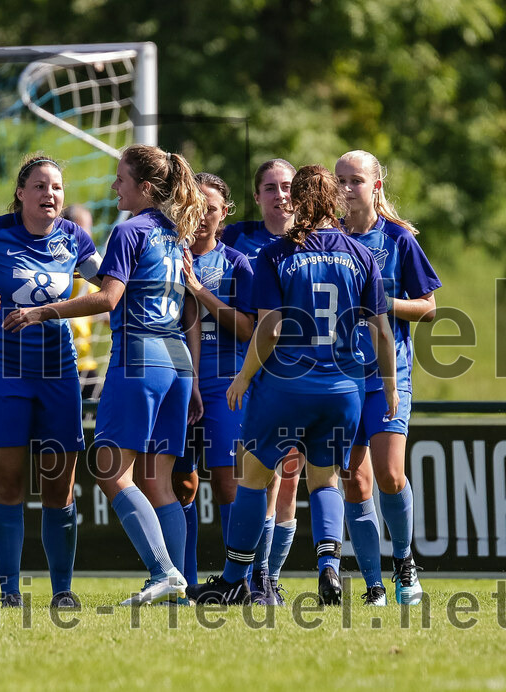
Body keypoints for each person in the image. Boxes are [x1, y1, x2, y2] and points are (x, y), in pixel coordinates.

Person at [187, 165, 398, 606]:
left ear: (298, 201)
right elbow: (381, 329)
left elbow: (269, 328)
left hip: (286, 387)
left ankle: (231, 579)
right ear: (334, 201)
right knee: (324, 481)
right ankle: (328, 569)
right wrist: (391, 387)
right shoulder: (359, 255)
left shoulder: (277, 254)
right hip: (344, 389)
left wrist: (244, 376)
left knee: (253, 477)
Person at [5, 145, 206, 605]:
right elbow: (188, 306)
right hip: (177, 363)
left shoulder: (129, 230)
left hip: (140, 359)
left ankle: (163, 572)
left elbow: (108, 298)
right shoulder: (176, 233)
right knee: (157, 480)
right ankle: (176, 583)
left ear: (146, 188)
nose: (114, 187)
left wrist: (41, 312)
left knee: (112, 469)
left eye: (121, 179)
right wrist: (193, 378)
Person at [0, 154, 101, 609]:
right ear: (21, 193)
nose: (50, 194)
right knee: (6, 483)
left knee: (59, 483)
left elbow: (109, 290)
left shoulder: (75, 237)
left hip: (59, 371)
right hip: (2, 371)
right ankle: (10, 591)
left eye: (57, 187)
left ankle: (63, 590)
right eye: (40, 186)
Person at [336, 150, 440, 606]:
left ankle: (405, 564)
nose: (345, 188)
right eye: (339, 179)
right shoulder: (328, 240)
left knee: (390, 474)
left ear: (376, 186)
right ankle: (374, 584)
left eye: (355, 180)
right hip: (337, 376)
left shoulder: (397, 238)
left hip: (385, 374)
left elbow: (429, 306)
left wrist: (381, 304)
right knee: (353, 481)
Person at [222, 158, 303, 599]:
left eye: (287, 185)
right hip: (247, 371)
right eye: (270, 187)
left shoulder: (313, 240)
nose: (280, 194)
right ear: (256, 196)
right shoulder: (239, 238)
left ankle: (268, 577)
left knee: (287, 477)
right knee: (254, 475)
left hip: (298, 374)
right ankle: (249, 578)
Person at [173, 173, 254, 587]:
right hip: (174, 379)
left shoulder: (237, 263)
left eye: (211, 208)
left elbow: (246, 329)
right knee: (180, 482)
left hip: (225, 384)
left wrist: (199, 291)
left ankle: (239, 580)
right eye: (195, 205)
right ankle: (181, 583)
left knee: (228, 483)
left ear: (224, 214)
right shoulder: (166, 253)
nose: (202, 215)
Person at [61, 204, 106, 401]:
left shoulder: (90, 272)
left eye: (89, 227)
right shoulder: (59, 266)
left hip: (84, 362)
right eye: (82, 227)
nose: (87, 233)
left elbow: (102, 310)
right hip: (59, 360)